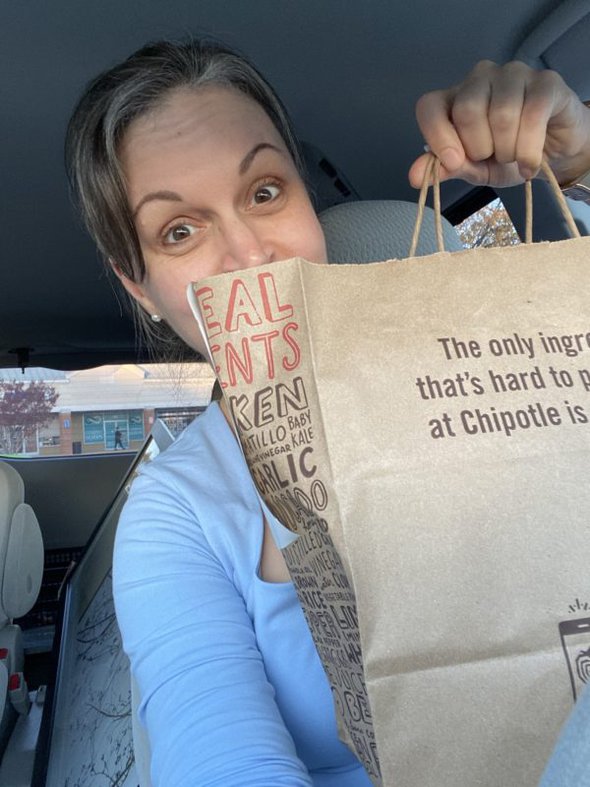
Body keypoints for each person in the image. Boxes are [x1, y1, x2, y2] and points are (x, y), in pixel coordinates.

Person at [66, 40, 590, 786]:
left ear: (308, 202)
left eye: (265, 191)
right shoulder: (178, 510)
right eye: (179, 231)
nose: (251, 256)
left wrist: (581, 165)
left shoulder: (496, 365)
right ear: (141, 286)